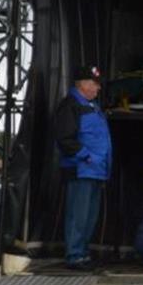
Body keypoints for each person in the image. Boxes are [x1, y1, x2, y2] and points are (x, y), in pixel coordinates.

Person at [55, 64, 112, 270]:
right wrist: (85, 156)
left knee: (90, 215)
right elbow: (64, 138)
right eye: (95, 84)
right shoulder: (70, 106)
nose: (98, 88)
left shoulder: (92, 106)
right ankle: (74, 254)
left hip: (96, 170)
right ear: (83, 84)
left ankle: (83, 252)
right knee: (78, 214)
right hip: (81, 169)